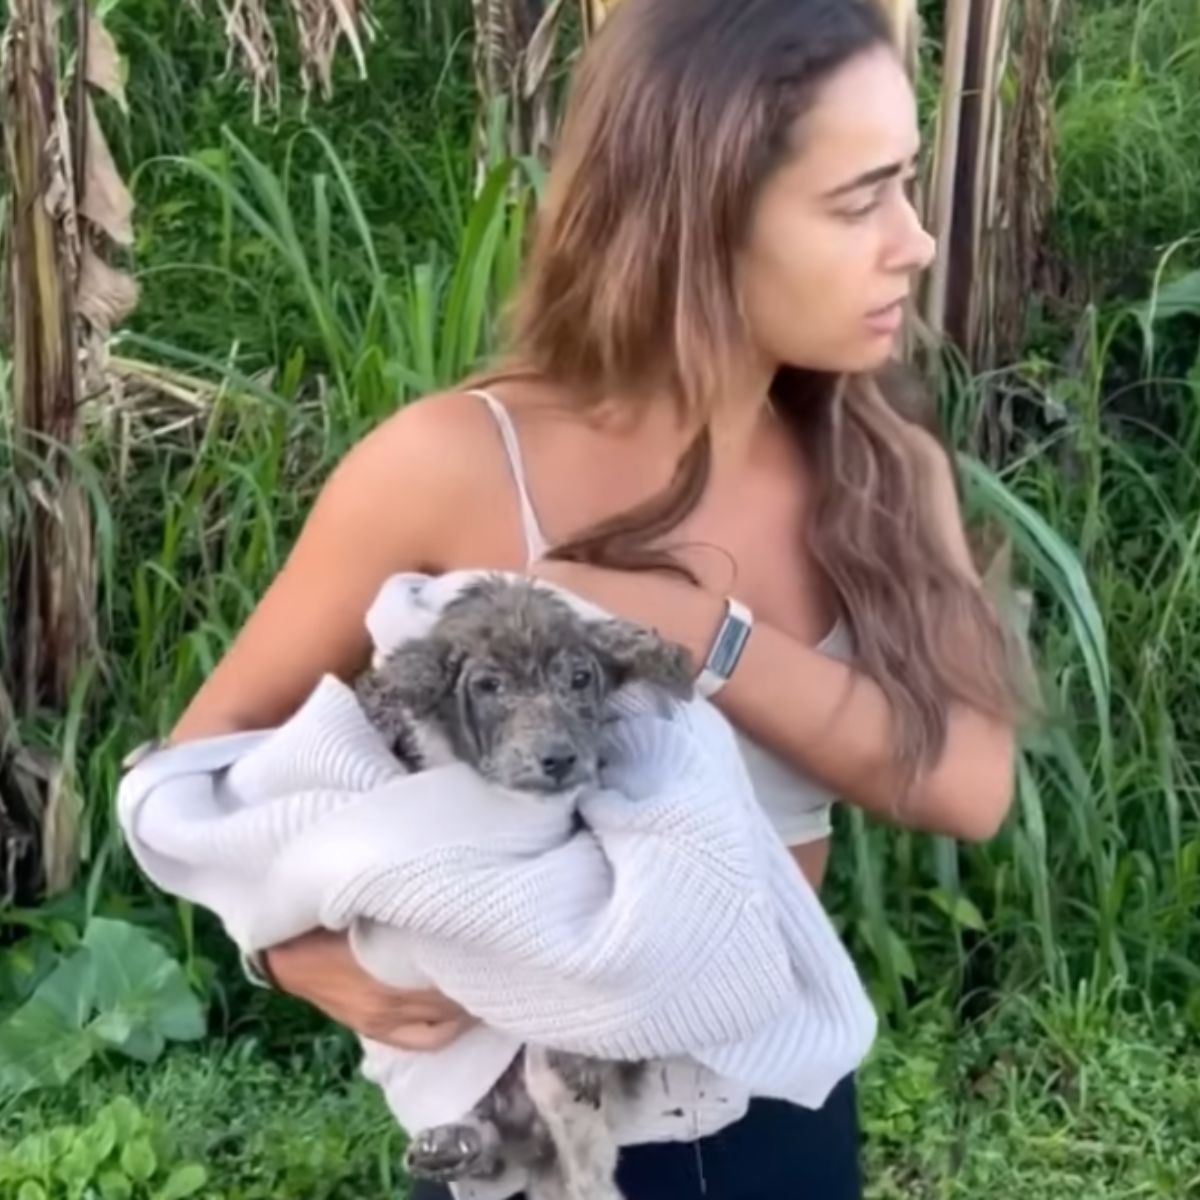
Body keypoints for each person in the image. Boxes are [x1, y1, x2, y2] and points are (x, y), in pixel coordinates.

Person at [168, 0, 1023, 1195]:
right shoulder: (457, 463)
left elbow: (971, 787)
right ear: (702, 216)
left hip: (778, 1094)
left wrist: (698, 635)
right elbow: (197, 761)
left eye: (908, 183)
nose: (916, 241)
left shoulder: (884, 473)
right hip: (511, 1132)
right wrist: (286, 948)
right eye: (857, 200)